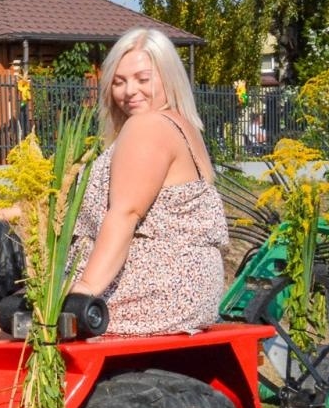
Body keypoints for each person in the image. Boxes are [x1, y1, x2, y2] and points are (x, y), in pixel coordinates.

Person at [66, 27, 228, 335]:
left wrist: (84, 288)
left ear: (169, 79)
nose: (129, 91)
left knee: (4, 322)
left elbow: (126, 213)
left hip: (156, 286)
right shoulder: (182, 126)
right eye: (119, 81)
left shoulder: (147, 126)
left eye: (143, 79)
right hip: (187, 287)